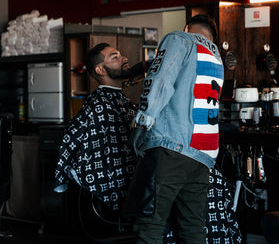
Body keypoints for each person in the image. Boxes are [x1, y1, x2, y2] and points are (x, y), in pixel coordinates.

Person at [126, 14, 224, 244]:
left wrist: (142, 122)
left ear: (187, 27)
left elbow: (160, 80)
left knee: (150, 224)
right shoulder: (217, 58)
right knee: (192, 228)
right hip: (204, 153)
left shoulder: (180, 39)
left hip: (173, 147)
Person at [54, 43, 146, 212]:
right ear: (101, 70)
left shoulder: (121, 100)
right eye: (115, 57)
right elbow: (70, 138)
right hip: (114, 183)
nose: (124, 59)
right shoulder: (97, 105)